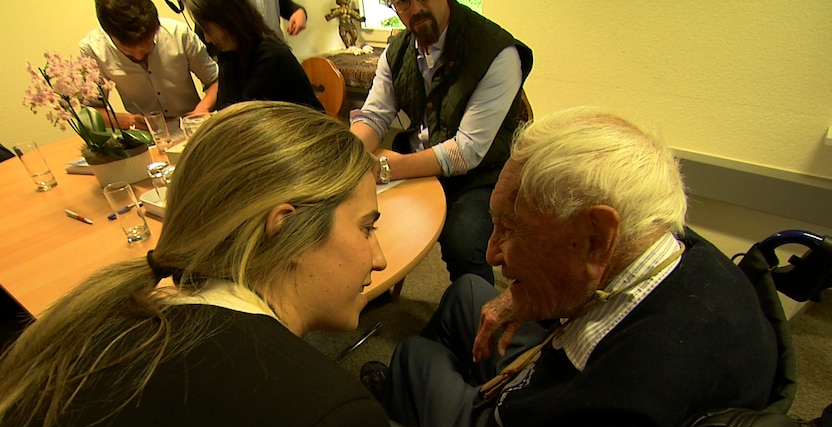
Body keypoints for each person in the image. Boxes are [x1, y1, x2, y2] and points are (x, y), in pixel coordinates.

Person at [375, 108, 780, 427]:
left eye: (511, 227)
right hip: (564, 391)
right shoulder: (686, 253)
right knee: (468, 292)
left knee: (412, 356)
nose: (491, 251)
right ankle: (451, 390)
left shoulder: (612, 416)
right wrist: (524, 294)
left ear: (594, 238)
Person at [0, 102, 393, 427]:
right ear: (285, 224)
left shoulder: (86, 332)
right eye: (367, 227)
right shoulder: (325, 418)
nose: (380, 258)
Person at [350, 0, 533, 285]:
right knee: (363, 216)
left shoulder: (497, 52)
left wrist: (387, 169)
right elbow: (374, 115)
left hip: (480, 176)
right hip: (414, 164)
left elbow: (466, 152)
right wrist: (349, 156)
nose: (415, 8)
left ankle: (472, 305)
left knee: (462, 242)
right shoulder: (397, 51)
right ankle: (377, 289)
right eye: (402, 1)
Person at [80, 0, 219, 130]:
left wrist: (203, 108)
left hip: (193, 126)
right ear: (109, 34)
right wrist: (128, 120)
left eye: (147, 45)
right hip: (148, 135)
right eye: (128, 50)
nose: (138, 56)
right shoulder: (93, 49)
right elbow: (90, 112)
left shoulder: (178, 34)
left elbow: (215, 80)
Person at [188, 0, 324, 112]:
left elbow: (235, 116)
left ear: (227, 21)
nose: (207, 38)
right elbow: (226, 110)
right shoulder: (237, 53)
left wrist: (227, 55)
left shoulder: (269, 56)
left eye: (208, 30)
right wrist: (227, 54)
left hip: (310, 136)